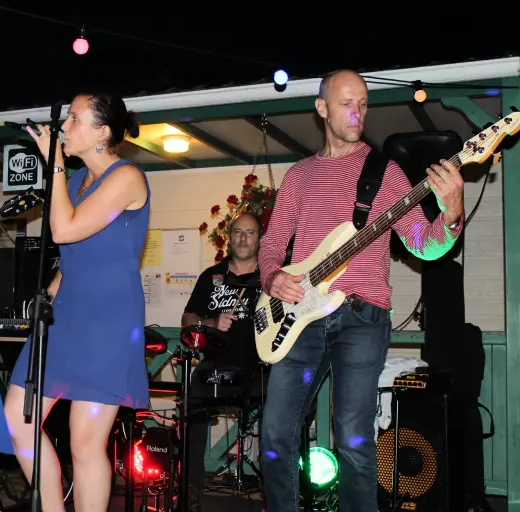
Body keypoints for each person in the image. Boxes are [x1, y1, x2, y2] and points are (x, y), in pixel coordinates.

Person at [257, 69, 464, 512]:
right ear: (322, 108)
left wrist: (451, 214)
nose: (358, 112)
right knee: (274, 433)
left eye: (364, 104)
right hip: (299, 319)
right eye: (347, 103)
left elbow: (423, 244)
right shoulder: (299, 175)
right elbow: (272, 243)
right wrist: (272, 275)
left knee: (353, 440)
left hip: (361, 318)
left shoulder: (386, 173)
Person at [3, 92, 149, 512]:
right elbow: (77, 249)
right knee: (17, 419)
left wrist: (53, 162)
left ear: (102, 132)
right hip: (66, 316)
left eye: (73, 118)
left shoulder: (127, 177)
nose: (63, 127)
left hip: (108, 320)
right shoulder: (73, 181)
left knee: (84, 442)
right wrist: (52, 287)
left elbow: (64, 231)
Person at [181, 212, 269, 510]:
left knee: (278, 414)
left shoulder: (271, 277)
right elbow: (187, 318)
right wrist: (211, 321)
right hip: (215, 368)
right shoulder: (211, 276)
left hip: (260, 368)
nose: (243, 238)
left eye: (250, 232)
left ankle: (273, 491)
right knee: (191, 402)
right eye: (238, 232)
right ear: (229, 237)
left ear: (260, 239)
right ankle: (191, 487)